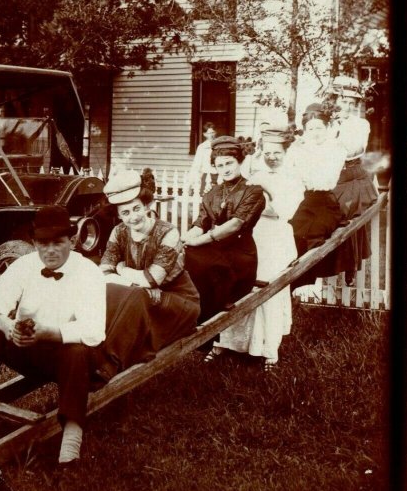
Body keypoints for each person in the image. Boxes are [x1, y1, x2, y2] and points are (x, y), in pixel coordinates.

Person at [0, 205, 107, 465]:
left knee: (76, 351)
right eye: (43, 243)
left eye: (58, 242)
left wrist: (48, 333)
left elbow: (93, 330)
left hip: (71, 357)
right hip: (32, 348)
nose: (50, 250)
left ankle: (72, 437)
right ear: (34, 242)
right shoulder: (24, 265)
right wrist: (9, 327)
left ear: (72, 241)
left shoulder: (90, 273)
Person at [208, 127, 304, 368]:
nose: (272, 157)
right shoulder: (253, 174)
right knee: (237, 284)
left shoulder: (292, 178)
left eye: (277, 153)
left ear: (286, 152)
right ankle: (226, 342)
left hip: (274, 238)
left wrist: (264, 188)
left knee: (268, 289)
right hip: (250, 234)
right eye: (268, 152)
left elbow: (284, 212)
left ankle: (269, 349)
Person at [95, 169, 201, 380]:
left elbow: (152, 279)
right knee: (120, 296)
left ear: (147, 206)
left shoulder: (168, 232)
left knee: (133, 297)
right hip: (142, 300)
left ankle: (110, 364)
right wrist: (131, 282)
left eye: (136, 209)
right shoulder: (119, 232)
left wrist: (122, 269)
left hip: (179, 303)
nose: (133, 217)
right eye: (125, 213)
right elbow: (103, 272)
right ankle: (98, 354)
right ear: (118, 215)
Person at [183, 136, 266, 324]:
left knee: (201, 260)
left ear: (240, 162)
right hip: (216, 252)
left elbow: (235, 224)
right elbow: (200, 223)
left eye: (229, 163)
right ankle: (197, 315)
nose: (225, 169)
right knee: (187, 254)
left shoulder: (252, 190)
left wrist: (201, 240)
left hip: (240, 256)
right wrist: (185, 239)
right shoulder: (212, 193)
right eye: (220, 166)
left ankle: (219, 300)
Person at [286, 103, 347, 288]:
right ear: (304, 130)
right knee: (291, 233)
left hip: (323, 202)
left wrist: (305, 169)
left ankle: (304, 281)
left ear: (327, 127)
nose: (315, 132)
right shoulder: (296, 150)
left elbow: (325, 179)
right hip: (300, 200)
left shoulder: (336, 150)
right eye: (310, 128)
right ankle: (291, 285)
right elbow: (290, 174)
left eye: (319, 127)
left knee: (313, 235)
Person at [326, 75, 378, 285]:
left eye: (351, 103)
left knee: (350, 219)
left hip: (352, 174)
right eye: (343, 101)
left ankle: (351, 266)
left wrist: (336, 139)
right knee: (326, 218)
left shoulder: (360, 124)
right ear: (336, 101)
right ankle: (325, 264)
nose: (346, 106)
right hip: (329, 174)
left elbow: (356, 148)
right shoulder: (326, 122)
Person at [188, 122, 217, 194]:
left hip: (217, 175)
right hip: (206, 176)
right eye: (209, 133)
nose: (211, 135)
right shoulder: (202, 147)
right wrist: (191, 183)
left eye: (213, 132)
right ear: (205, 134)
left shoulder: (219, 145)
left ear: (216, 132)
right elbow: (196, 165)